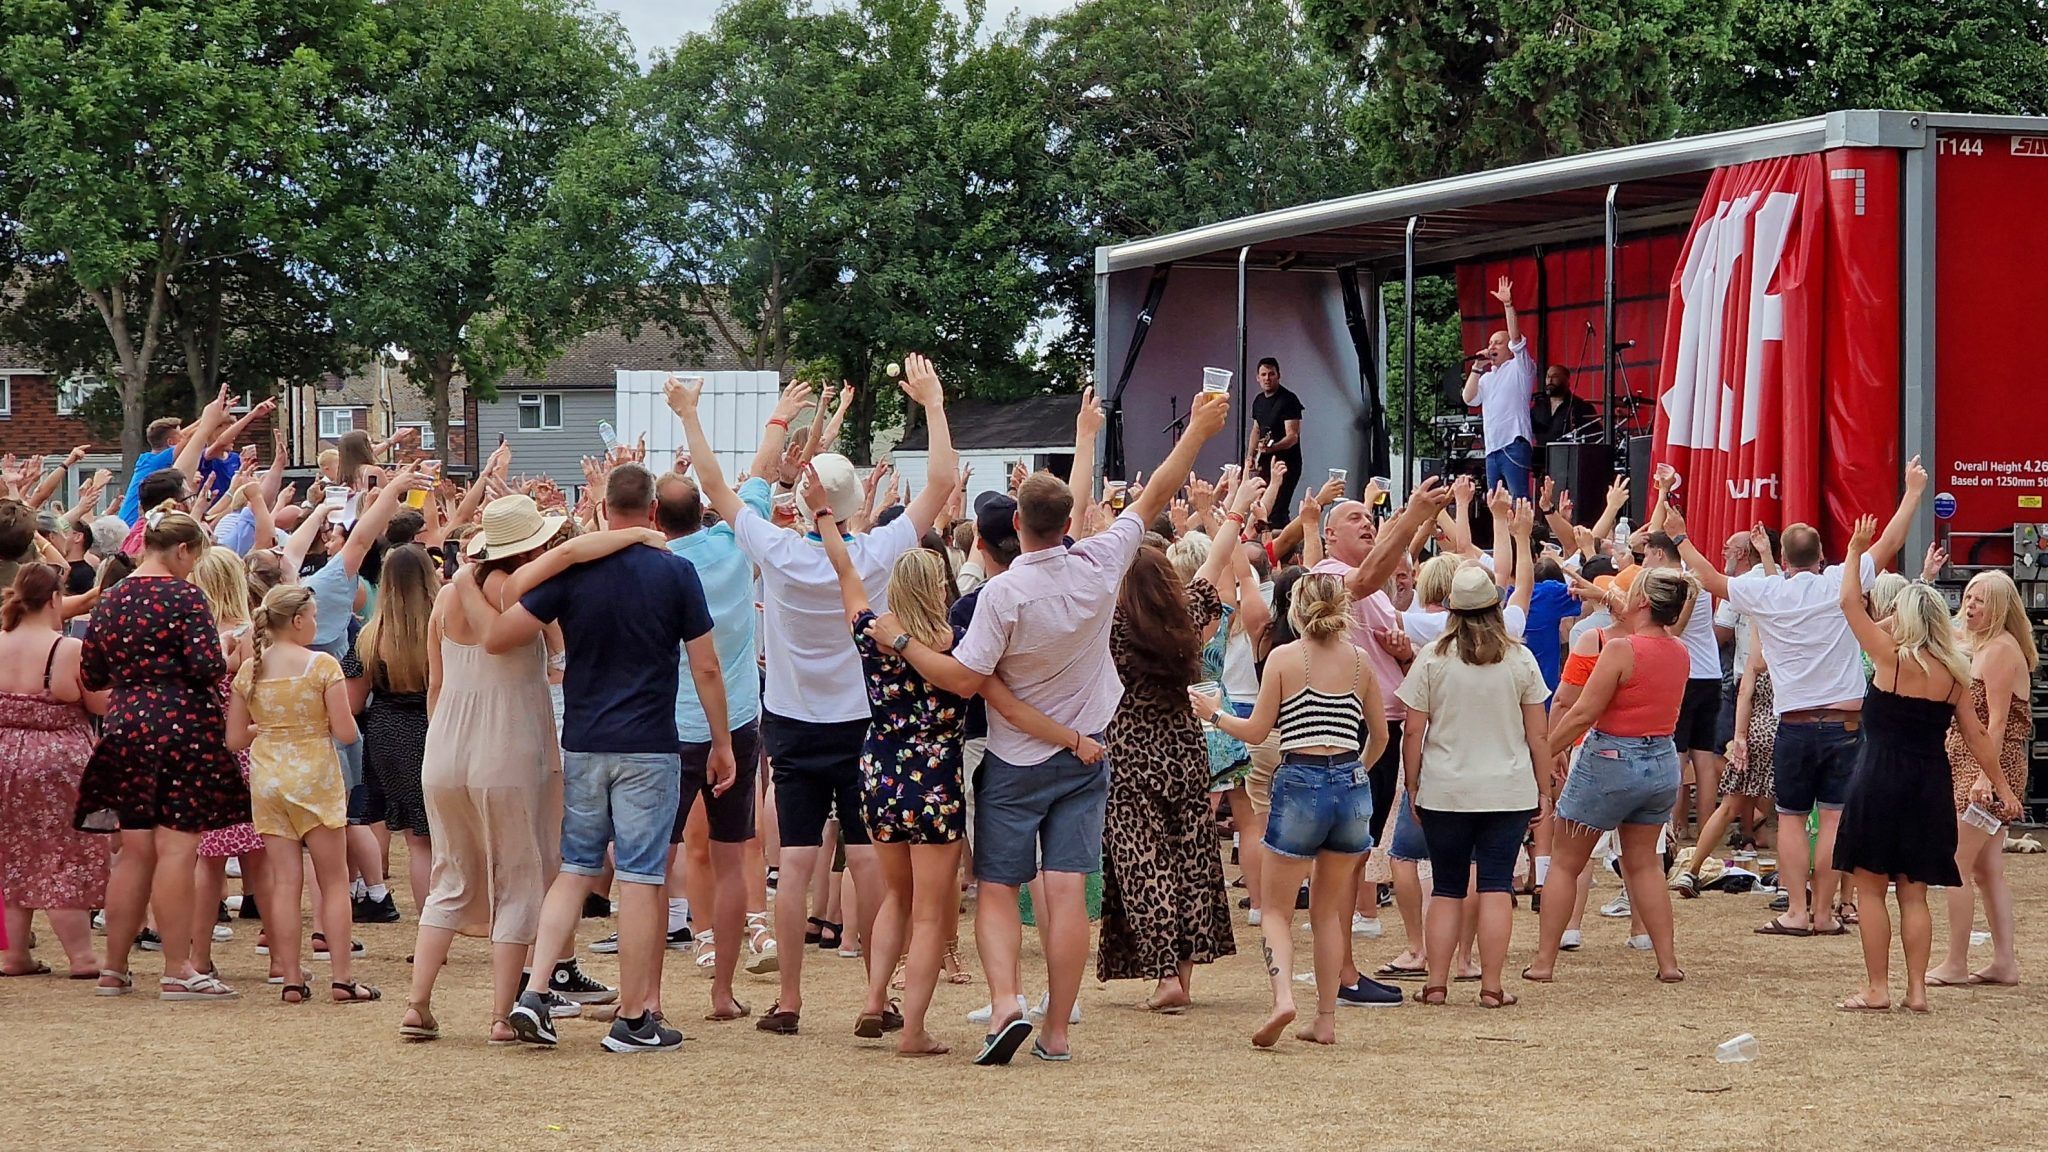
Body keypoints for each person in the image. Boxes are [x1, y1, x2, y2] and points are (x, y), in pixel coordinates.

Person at [884, 384, 1229, 1065]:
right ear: (1066, 520)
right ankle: (1058, 1031)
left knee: (1000, 890)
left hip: (1015, 759)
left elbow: (961, 677)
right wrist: (1196, 429)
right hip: (1087, 755)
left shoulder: (1003, 594)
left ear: (1016, 521)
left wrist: (896, 639)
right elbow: (1157, 492)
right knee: (1067, 892)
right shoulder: (1100, 564)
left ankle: (1007, 1001)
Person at [673, 364, 954, 1039]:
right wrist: (935, 406)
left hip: (793, 722)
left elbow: (714, 487)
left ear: (799, 503)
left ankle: (791, 999)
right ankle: (874, 993)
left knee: (794, 863)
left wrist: (690, 415)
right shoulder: (881, 548)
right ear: (858, 501)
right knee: (865, 859)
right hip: (866, 723)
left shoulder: (778, 550)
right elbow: (942, 485)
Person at [493, 465, 731, 1054]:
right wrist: (722, 741)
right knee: (642, 879)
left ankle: (536, 990)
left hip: (584, 738)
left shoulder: (574, 570)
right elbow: (704, 665)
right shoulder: (677, 572)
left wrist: (573, 551)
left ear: (605, 511)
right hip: (649, 741)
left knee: (575, 868)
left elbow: (504, 620)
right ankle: (634, 1015)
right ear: (653, 512)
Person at [1674, 458, 1923, 936]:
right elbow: (1890, 543)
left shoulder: (1770, 594)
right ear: (1822, 555)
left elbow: (1710, 579)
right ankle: (1826, 913)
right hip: (1847, 723)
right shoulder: (1839, 584)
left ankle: (1795, 911)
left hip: (1794, 723)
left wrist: (1682, 535)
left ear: (1784, 560)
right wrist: (1911, 492)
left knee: (1790, 820)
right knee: (1831, 819)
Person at [401, 497, 580, 1045]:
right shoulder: (516, 591)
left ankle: (417, 1003)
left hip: (447, 745)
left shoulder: (446, 596)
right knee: (519, 880)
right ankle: (502, 1015)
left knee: (449, 877)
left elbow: (435, 684)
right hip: (508, 746)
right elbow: (556, 655)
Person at [1197, 571, 1388, 1046]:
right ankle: (1325, 1018)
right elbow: (1379, 737)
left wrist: (1214, 716)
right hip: (1350, 780)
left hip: (1299, 776)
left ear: (1297, 612)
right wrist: (1355, 771)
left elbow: (1258, 731)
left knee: (1278, 909)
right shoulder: (1362, 662)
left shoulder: (1284, 658)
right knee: (1328, 911)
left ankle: (1283, 996)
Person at [1095, 481, 1257, 1014]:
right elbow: (1213, 564)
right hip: (1186, 750)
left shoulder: (1111, 629)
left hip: (1130, 754)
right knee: (1190, 859)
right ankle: (1181, 978)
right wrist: (1232, 510)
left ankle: (1163, 976)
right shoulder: (1184, 616)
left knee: (1145, 865)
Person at [75, 506, 247, 1002]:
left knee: (134, 851)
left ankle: (114, 967)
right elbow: (207, 665)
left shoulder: (111, 598)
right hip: (181, 725)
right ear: (183, 550)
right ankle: (178, 968)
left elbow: (92, 674)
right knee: (177, 848)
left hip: (126, 723)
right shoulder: (186, 597)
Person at [1831, 516, 2002, 1012]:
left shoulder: (1892, 658)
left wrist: (1856, 551)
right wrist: (2002, 786)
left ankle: (1877, 988)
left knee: (1869, 888)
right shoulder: (1956, 673)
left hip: (1879, 777)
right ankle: (1918, 990)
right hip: (1929, 782)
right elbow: (1975, 736)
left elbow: (1847, 604)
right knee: (1914, 892)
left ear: (1904, 618)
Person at [1524, 567, 1695, 984]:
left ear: (1641, 602)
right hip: (1660, 761)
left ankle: (1544, 962)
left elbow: (1583, 711)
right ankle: (1667, 963)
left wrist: (1542, 752)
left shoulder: (1620, 649)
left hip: (1611, 757)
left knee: (1566, 862)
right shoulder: (1680, 651)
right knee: (1644, 866)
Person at [1397, 565, 1549, 1009]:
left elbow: (1413, 730)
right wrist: (1544, 789)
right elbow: (1538, 733)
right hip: (1507, 788)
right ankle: (1491, 986)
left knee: (1447, 887)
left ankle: (1437, 984)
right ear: (1496, 608)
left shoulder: (1431, 658)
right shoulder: (1519, 659)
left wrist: (1412, 782)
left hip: (1445, 788)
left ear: (1451, 611)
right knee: (1496, 885)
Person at [653, 468, 770, 1021]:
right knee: (730, 861)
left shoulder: (654, 565)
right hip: (738, 720)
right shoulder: (732, 544)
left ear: (656, 517)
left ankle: (646, 997)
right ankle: (721, 993)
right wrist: (778, 422)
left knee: (654, 865)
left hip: (670, 725)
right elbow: (758, 478)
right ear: (704, 509)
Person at [225, 585, 376, 1004]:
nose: (315, 623)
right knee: (333, 881)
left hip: (269, 777)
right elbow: (347, 732)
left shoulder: (250, 670)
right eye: (312, 616)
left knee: (284, 882)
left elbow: (235, 738)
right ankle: (343, 977)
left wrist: (270, 729)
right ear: (296, 620)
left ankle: (291, 977)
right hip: (314, 776)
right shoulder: (321, 665)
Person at [0, 563, 109, 978]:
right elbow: (100, 704)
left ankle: (14, 956)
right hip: (56, 760)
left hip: (3, 754)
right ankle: (81, 957)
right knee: (64, 854)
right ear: (54, 599)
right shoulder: (66, 649)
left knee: (9, 855)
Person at [1929, 569, 2035, 989]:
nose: (1969, 607)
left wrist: (1984, 779)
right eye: (1968, 597)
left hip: (1990, 765)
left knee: (1956, 861)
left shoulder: (2000, 652)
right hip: (1979, 763)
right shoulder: (1983, 644)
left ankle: (1956, 961)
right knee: (1987, 868)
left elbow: (1996, 722)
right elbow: (1944, 630)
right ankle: (2003, 962)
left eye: (1979, 601)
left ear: (2000, 609)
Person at [186, 546, 268, 979]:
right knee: (264, 858)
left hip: (199, 754)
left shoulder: (190, 635)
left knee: (208, 860)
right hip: (245, 753)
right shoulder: (251, 634)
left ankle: (199, 956)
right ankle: (280, 957)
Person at [358, 544, 440, 913]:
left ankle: (429, 927)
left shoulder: (371, 636)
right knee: (442, 836)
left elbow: (353, 701)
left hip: (389, 732)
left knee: (416, 839)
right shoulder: (445, 626)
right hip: (437, 724)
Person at [1463, 276, 1535, 500]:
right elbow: (1469, 399)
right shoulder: (1486, 378)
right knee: (1496, 503)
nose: (1492, 346)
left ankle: (1524, 535)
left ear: (1509, 349)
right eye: (1490, 342)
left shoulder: (1520, 367)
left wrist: (1507, 305)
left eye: (1498, 342)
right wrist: (1476, 367)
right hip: (1492, 448)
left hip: (1513, 444)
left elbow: (1516, 339)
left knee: (1518, 500)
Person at [1249, 357, 1304, 516]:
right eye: (1264, 374)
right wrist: (1250, 456)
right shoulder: (1258, 401)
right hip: (1265, 463)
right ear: (1258, 378)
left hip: (1286, 464)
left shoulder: (1289, 400)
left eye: (1271, 374)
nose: (1267, 378)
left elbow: (1292, 437)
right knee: (1262, 507)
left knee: (1277, 509)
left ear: (1278, 375)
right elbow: (1256, 430)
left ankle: (1281, 539)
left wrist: (1272, 448)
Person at [1529, 365, 1599, 448]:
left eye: (1555, 376)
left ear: (1567, 381)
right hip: (1540, 456)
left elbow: (1593, 437)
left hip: (1567, 456)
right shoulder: (1539, 405)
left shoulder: (1581, 407)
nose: (1550, 380)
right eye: (1548, 377)